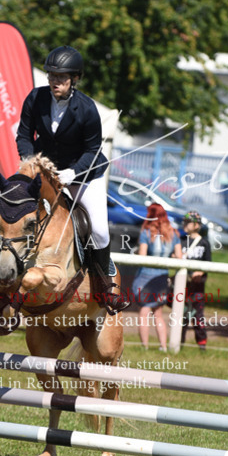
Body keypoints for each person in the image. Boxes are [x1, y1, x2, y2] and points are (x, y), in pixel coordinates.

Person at [16, 44, 128, 313]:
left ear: (74, 79)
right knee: (14, 208)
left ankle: (105, 288)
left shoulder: (87, 108)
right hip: (46, 174)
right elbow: (23, 135)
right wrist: (31, 164)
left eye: (62, 77)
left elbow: (93, 150)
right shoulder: (35, 98)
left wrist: (74, 172)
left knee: (99, 231)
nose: (56, 81)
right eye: (52, 76)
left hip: (84, 175)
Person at [131, 205, 181, 352]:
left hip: (145, 276)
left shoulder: (147, 232)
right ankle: (163, 346)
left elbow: (142, 256)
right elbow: (179, 257)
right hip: (161, 277)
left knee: (144, 312)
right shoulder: (174, 234)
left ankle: (144, 347)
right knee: (158, 314)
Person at [177, 210, 212, 349]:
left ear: (197, 225)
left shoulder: (204, 243)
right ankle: (179, 343)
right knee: (181, 315)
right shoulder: (181, 240)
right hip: (182, 284)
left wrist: (200, 272)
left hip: (197, 286)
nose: (184, 224)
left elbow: (208, 263)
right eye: (184, 221)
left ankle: (202, 343)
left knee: (198, 316)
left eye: (188, 222)